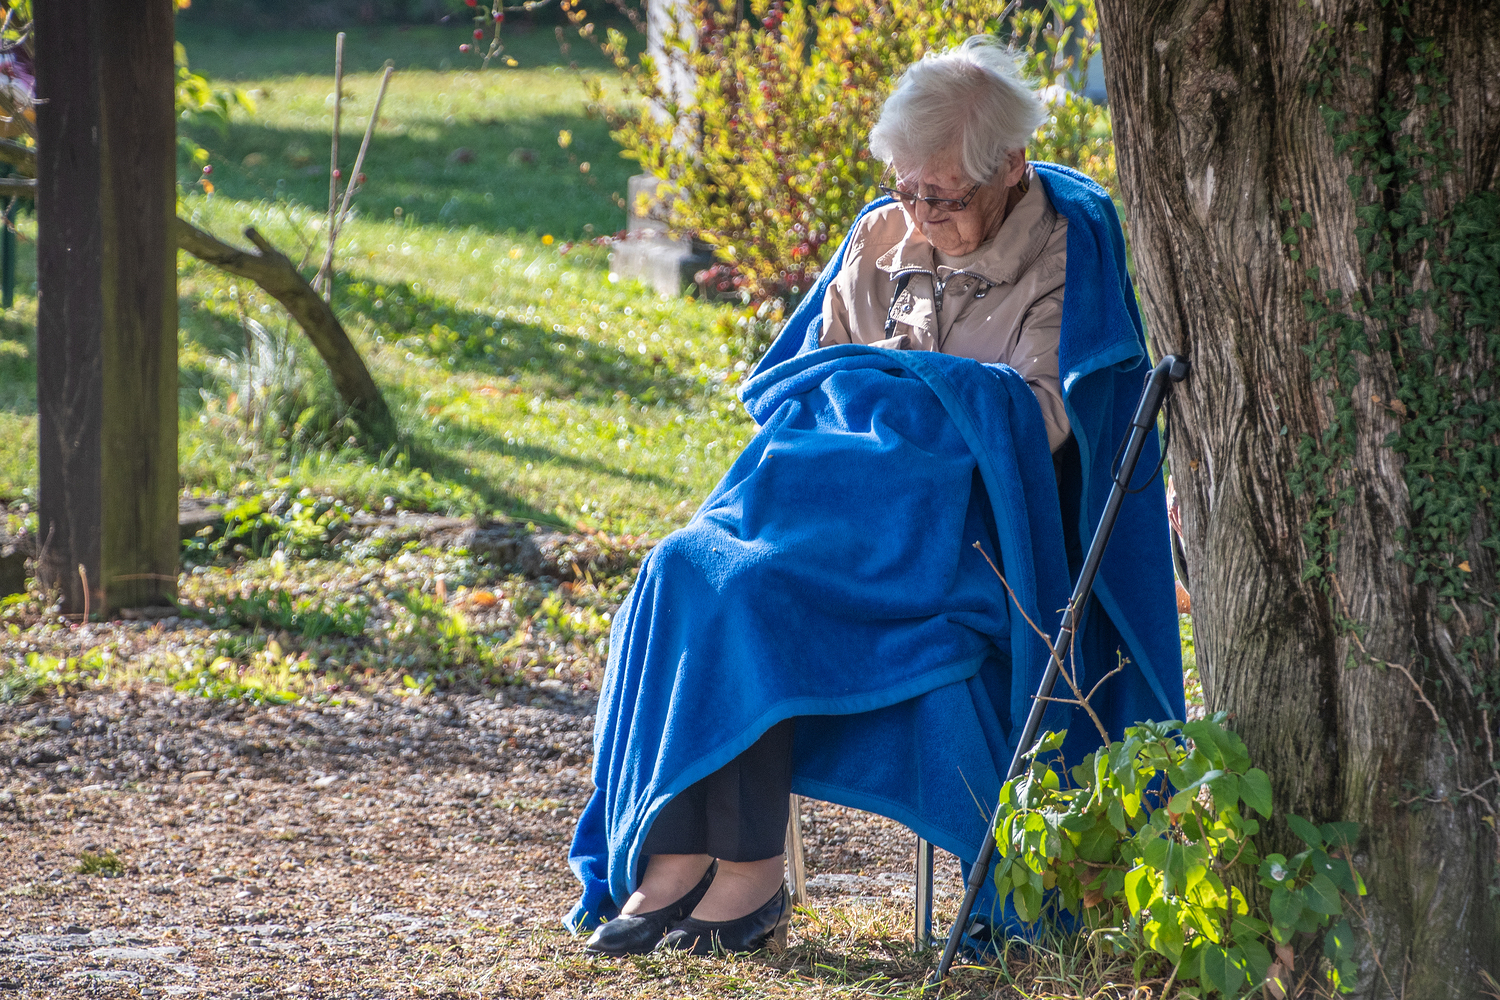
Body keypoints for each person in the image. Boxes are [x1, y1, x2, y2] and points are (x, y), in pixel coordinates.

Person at [569, 35, 1183, 960]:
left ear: (1011, 167)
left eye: (946, 196)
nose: (921, 212)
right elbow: (818, 383)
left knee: (753, 591)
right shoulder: (881, 234)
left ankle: (749, 878)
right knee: (684, 569)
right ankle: (678, 856)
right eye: (907, 188)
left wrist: (904, 396)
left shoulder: (1064, 253)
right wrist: (896, 396)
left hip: (960, 544)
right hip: (838, 506)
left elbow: (1046, 419)